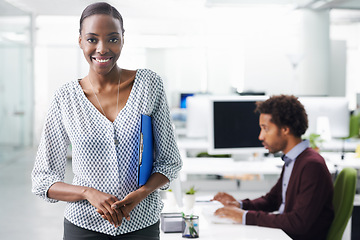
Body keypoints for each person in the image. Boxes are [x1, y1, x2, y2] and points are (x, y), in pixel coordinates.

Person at [31, 2, 182, 239]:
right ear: (80, 40)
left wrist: (140, 194)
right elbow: (43, 179)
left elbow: (169, 162)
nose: (102, 49)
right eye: (92, 39)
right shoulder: (65, 98)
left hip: (141, 224)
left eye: (112, 39)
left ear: (123, 39)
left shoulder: (149, 85)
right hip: (83, 227)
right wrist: (87, 193)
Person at [212, 95, 334, 240]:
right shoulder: (293, 160)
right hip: (283, 234)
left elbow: (298, 222)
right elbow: (272, 200)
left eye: (266, 129)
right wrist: (239, 205)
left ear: (285, 129)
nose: (260, 136)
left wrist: (245, 217)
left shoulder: (311, 166)